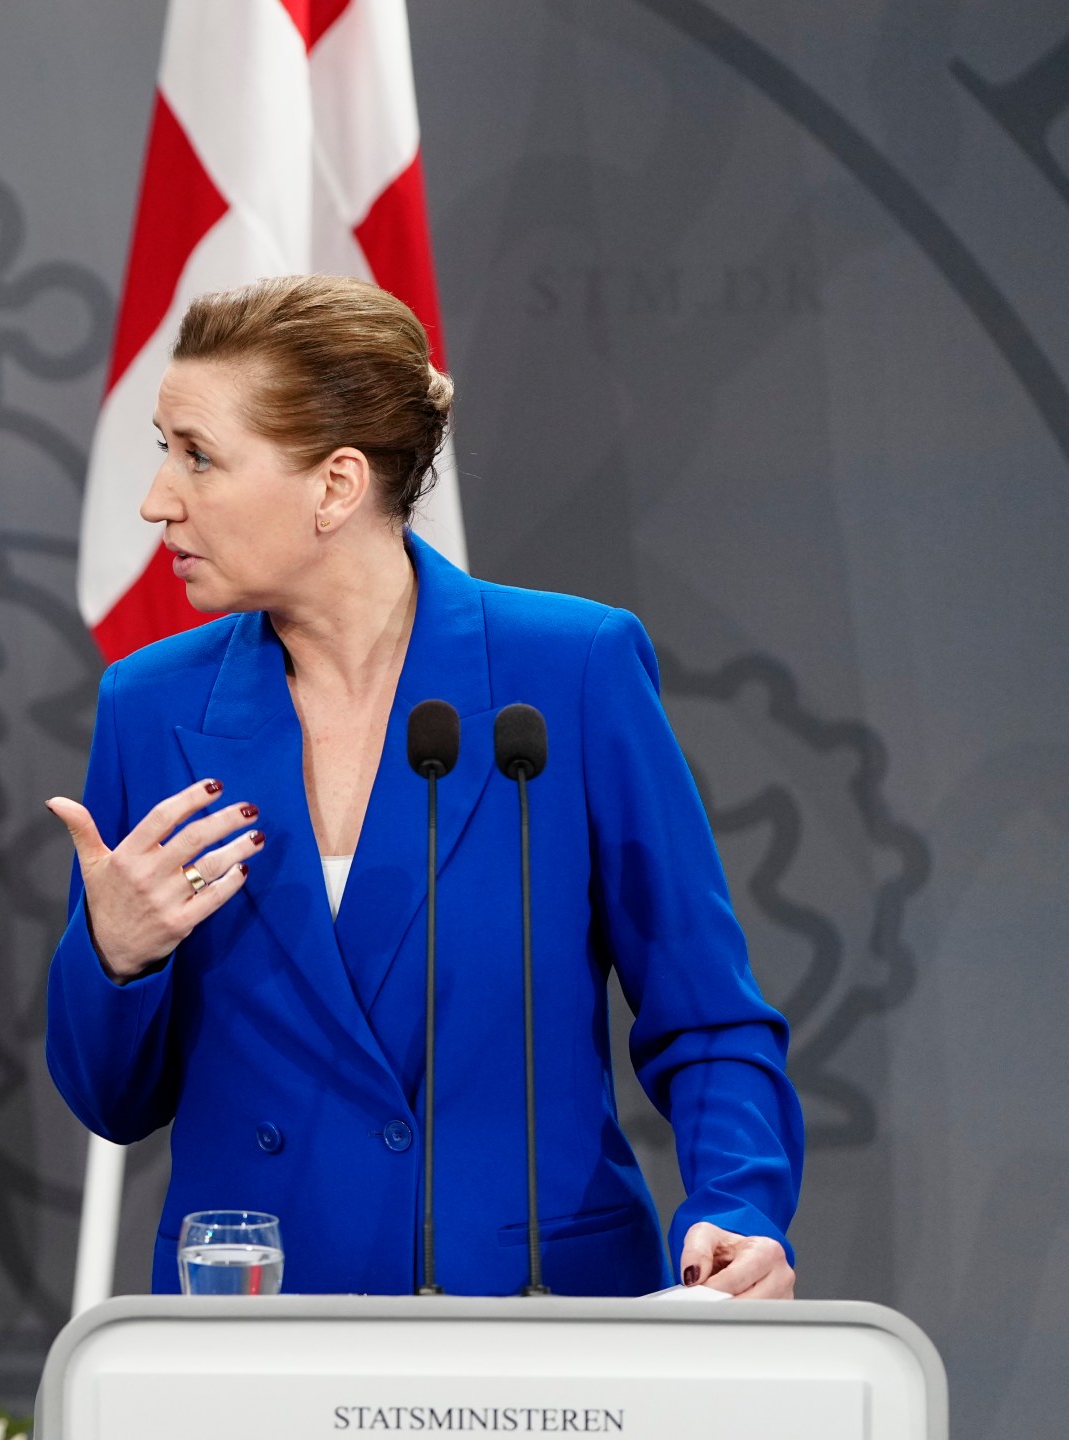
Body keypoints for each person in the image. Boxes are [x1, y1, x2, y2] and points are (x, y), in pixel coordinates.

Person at [44, 275, 802, 1299]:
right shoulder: (149, 707)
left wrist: (736, 1204)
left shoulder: (568, 672)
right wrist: (116, 957)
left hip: (528, 1314)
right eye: (163, 449)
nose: (156, 500)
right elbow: (111, 1101)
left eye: (198, 456)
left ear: (335, 485)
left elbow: (705, 1013)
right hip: (258, 1329)